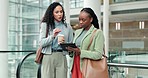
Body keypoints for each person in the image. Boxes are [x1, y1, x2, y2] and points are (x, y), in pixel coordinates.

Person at [67, 8, 105, 77]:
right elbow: (73, 53)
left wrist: (81, 52)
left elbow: (98, 54)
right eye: (79, 19)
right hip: (75, 64)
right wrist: (70, 50)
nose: (80, 22)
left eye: (83, 20)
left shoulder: (97, 33)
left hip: (87, 67)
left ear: (91, 19)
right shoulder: (77, 32)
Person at [39, 2, 73, 78]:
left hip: (62, 56)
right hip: (48, 56)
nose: (60, 14)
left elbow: (70, 44)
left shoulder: (68, 27)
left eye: (61, 12)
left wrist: (65, 44)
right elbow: (41, 43)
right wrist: (52, 36)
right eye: (57, 12)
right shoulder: (46, 25)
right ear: (52, 13)